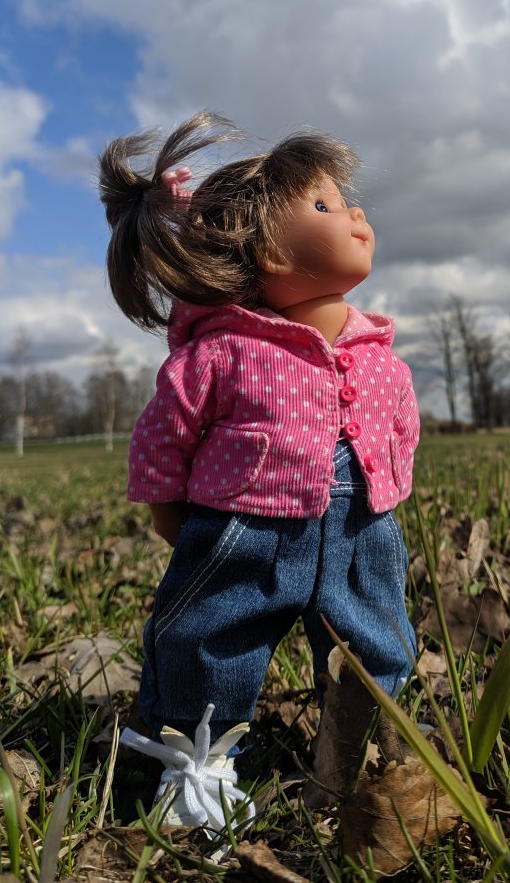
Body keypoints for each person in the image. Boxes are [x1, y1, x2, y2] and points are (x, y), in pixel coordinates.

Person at [98, 111, 419, 837]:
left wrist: (388, 487)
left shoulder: (376, 348)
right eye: (325, 204)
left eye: (343, 199)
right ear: (266, 249)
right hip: (244, 525)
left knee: (375, 636)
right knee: (212, 634)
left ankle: (369, 753)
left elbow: (401, 425)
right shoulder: (224, 349)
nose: (354, 211)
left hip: (363, 523)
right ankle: (197, 760)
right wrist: (166, 508)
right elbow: (165, 427)